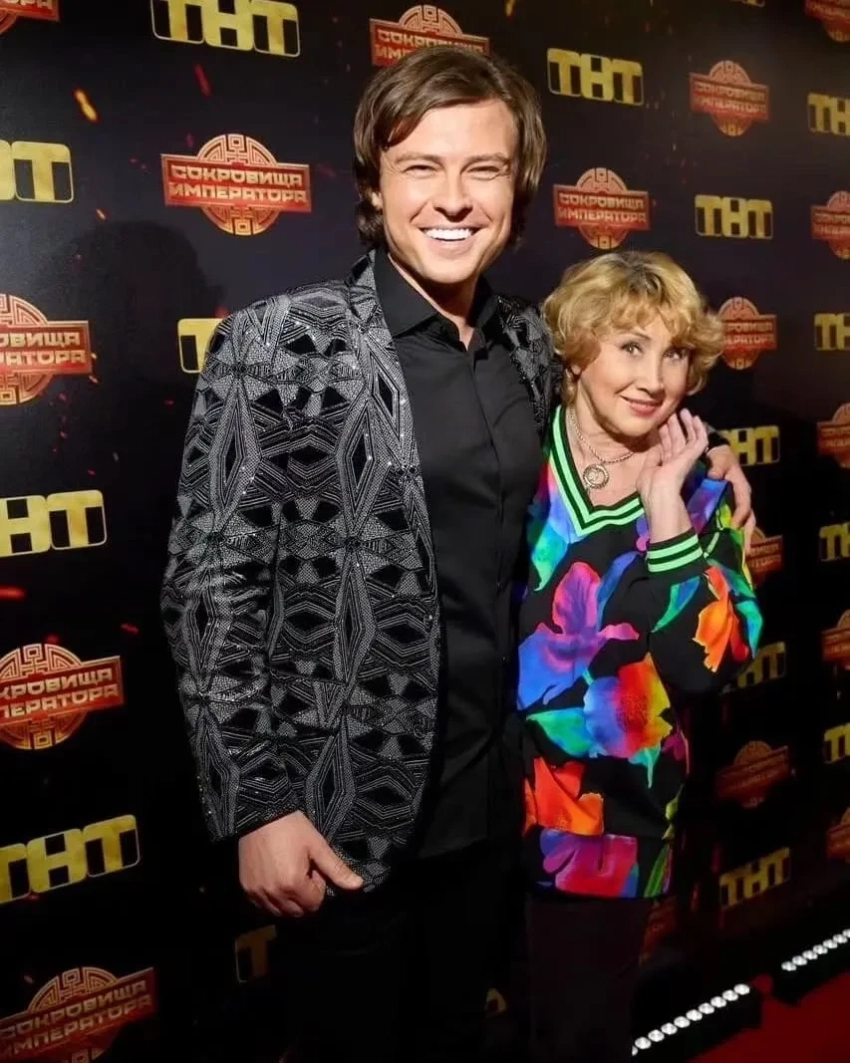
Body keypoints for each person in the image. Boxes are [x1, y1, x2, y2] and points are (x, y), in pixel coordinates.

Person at [161, 47, 753, 1063]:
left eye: (483, 169)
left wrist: (706, 461)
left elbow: (622, 413)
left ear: (516, 193)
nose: (452, 198)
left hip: (502, 818)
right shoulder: (280, 342)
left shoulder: (531, 345)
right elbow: (208, 589)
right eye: (421, 167)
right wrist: (258, 804)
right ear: (374, 186)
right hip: (345, 820)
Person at [518, 251, 763, 1063]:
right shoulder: (513, 450)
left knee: (578, 1039)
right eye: (630, 346)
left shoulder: (704, 492)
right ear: (578, 348)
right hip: (469, 809)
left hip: (604, 830)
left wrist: (668, 522)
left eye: (675, 353)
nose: (655, 378)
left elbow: (706, 667)